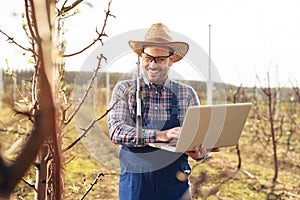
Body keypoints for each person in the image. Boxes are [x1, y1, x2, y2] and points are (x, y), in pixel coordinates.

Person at [108, 23, 219, 200]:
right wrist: (161, 134)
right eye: (147, 58)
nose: (153, 64)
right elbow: (117, 132)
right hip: (135, 186)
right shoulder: (125, 90)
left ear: (171, 59)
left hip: (174, 186)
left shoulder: (186, 94)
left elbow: (197, 138)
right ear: (140, 56)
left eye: (159, 59)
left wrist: (200, 153)